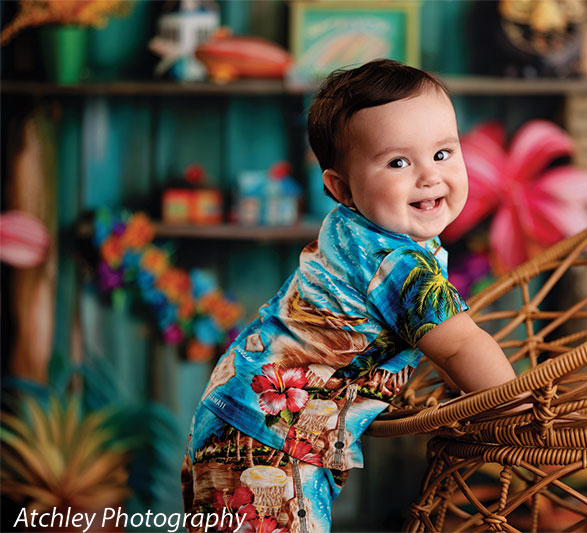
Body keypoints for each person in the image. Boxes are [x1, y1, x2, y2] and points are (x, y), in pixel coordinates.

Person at [182, 59, 517, 533]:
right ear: (342, 188)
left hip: (236, 415)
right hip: (268, 444)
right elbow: (461, 345)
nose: (429, 176)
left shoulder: (350, 227)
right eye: (398, 162)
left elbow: (426, 343)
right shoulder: (397, 264)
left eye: (443, 153)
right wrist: (520, 411)